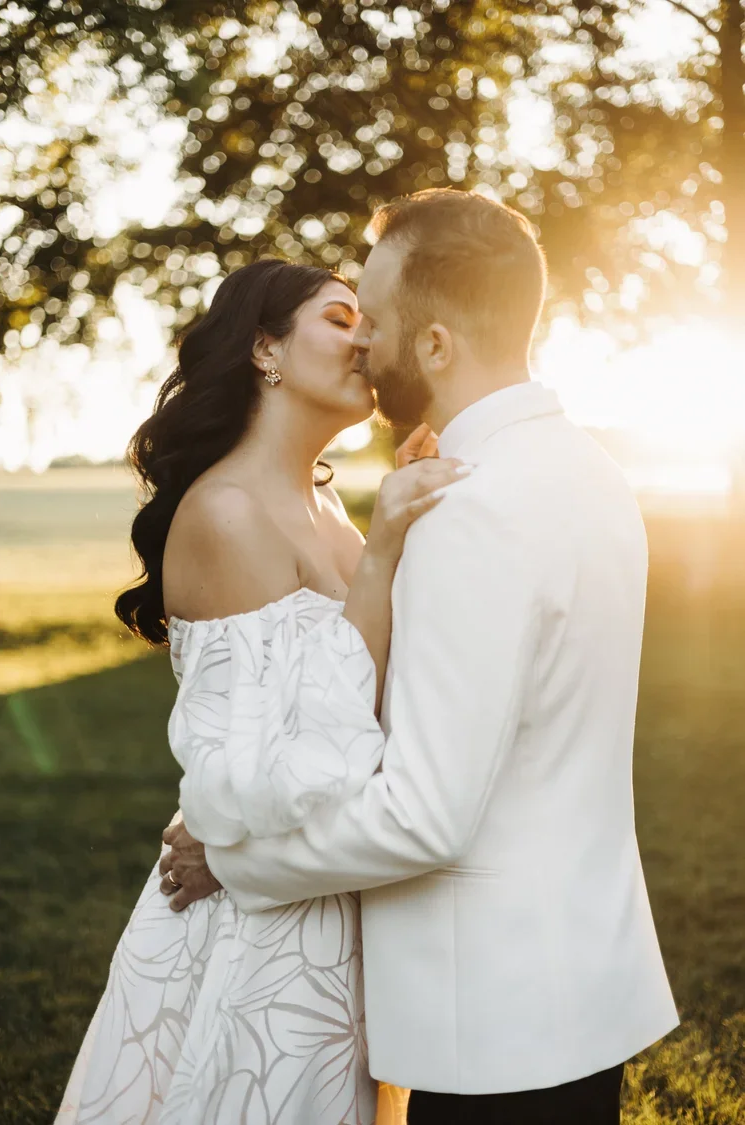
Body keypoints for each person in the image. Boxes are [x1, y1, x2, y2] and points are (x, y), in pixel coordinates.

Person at [163, 189, 679, 1125]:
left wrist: (233, 861)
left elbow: (423, 816)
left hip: (492, 1017)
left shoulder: (470, 509)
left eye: (380, 319)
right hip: (582, 988)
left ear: (436, 345)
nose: (365, 344)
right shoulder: (590, 470)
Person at [55, 258, 469, 1125]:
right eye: (339, 316)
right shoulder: (228, 512)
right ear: (264, 349)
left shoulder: (326, 511)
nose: (366, 338)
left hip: (329, 883)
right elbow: (281, 762)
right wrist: (389, 547)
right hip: (258, 933)